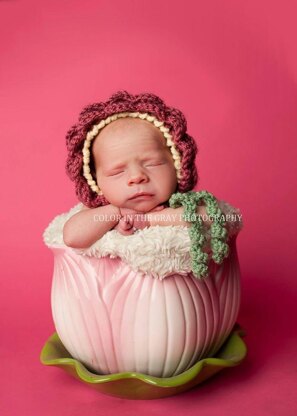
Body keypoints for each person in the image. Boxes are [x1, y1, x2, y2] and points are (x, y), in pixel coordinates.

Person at [63, 91, 241, 275]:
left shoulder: (180, 202)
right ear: (95, 180)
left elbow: (215, 217)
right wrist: (116, 212)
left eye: (153, 163)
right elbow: (72, 237)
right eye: (117, 171)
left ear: (176, 164)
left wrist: (149, 219)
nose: (137, 177)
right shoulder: (100, 208)